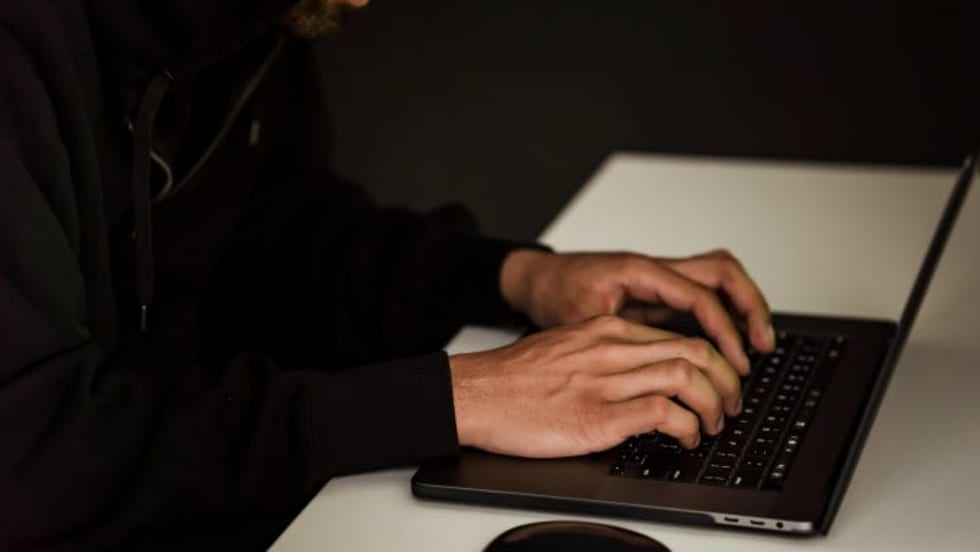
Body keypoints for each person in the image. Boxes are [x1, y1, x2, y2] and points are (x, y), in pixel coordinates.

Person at [0, 0, 774, 548]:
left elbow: (275, 241)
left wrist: (515, 278)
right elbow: (28, 458)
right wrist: (450, 398)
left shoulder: (252, 23)